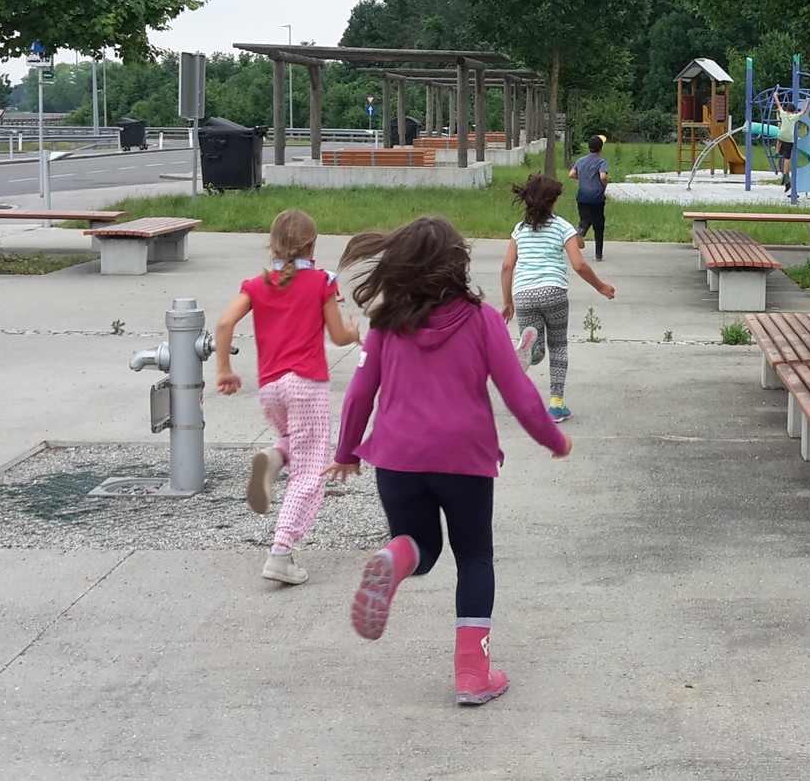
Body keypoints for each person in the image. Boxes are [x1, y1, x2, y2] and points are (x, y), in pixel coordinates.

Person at [326, 215, 571, 707]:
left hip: (397, 458)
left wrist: (347, 451)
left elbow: (359, 393)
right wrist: (553, 438)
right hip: (464, 459)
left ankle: (396, 556)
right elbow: (518, 391)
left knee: (421, 546)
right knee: (474, 556)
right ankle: (473, 675)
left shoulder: (387, 322)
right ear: (457, 264)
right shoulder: (482, 319)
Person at [214, 209, 360, 586]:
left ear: (273, 245)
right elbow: (338, 337)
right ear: (313, 246)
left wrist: (224, 370)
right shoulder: (321, 282)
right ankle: (281, 551)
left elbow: (225, 322)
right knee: (310, 470)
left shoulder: (256, 284)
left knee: (295, 442)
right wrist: (354, 332)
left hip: (271, 389)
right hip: (307, 386)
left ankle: (275, 457)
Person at [501, 173, 617, 423]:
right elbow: (579, 264)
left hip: (523, 294)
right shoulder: (563, 226)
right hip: (553, 292)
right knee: (558, 346)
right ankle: (556, 405)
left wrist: (507, 302)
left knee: (535, 353)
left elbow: (507, 266)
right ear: (553, 201)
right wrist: (600, 286)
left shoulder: (519, 230)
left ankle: (528, 353)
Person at [568, 135, 610, 261]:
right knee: (599, 223)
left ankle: (581, 231)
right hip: (597, 196)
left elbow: (571, 174)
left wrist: (582, 178)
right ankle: (598, 254)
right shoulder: (601, 162)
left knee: (585, 219)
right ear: (601, 149)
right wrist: (603, 186)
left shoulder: (581, 160)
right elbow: (603, 176)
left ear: (589, 147)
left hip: (582, 196)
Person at [777, 91, 810, 189]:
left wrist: (775, 96)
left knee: (779, 140)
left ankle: (776, 152)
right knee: (787, 157)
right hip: (789, 138)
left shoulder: (783, 114)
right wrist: (807, 102)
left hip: (781, 136)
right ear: (794, 111)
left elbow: (778, 105)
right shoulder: (795, 116)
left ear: (787, 109)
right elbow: (804, 111)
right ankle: (785, 174)